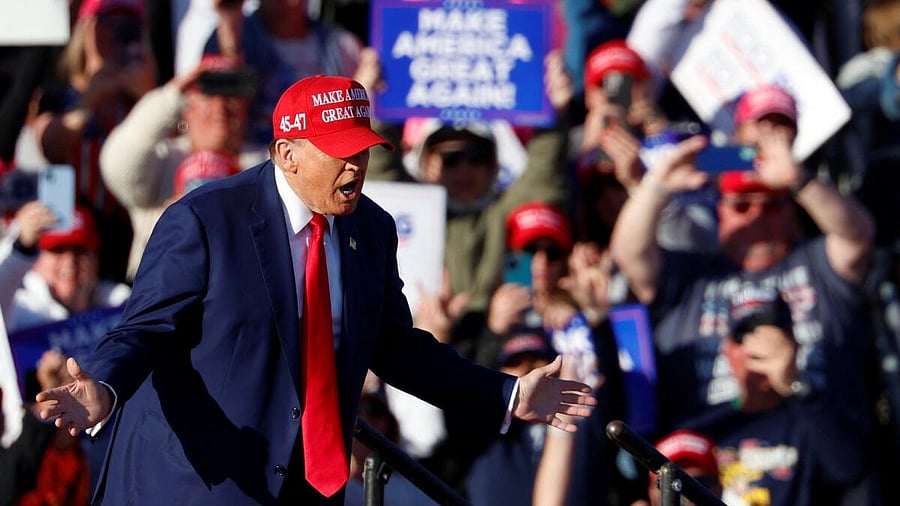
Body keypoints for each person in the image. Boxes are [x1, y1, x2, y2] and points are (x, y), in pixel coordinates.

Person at [34, 75, 596, 505]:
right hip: (192, 485)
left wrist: (507, 394)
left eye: (362, 150)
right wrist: (103, 385)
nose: (355, 167)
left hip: (305, 488)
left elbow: (395, 348)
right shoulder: (206, 220)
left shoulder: (370, 229)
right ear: (288, 154)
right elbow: (146, 329)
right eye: (339, 152)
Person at [680, 289, 872, 506]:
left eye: (772, 339)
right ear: (728, 351)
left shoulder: (814, 414)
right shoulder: (703, 427)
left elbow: (850, 469)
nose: (759, 350)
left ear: (794, 346)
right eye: (745, 338)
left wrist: (793, 384)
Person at [99, 53, 261, 281]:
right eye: (209, 94)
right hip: (160, 286)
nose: (220, 107)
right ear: (186, 107)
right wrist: (171, 94)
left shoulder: (266, 164)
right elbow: (117, 164)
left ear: (246, 106)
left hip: (236, 286)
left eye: (231, 95)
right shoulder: (163, 160)